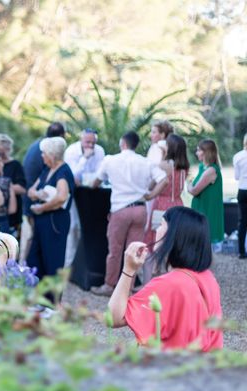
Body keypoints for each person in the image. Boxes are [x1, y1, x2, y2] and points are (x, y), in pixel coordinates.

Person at [107, 207, 223, 351]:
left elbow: (114, 317)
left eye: (161, 225)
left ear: (174, 235)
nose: (156, 231)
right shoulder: (208, 278)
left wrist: (128, 270)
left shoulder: (169, 284)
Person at [91, 131, 167, 296]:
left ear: (122, 143)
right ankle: (128, 286)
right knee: (135, 251)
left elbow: (95, 182)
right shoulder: (145, 162)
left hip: (120, 210)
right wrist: (151, 195)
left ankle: (109, 285)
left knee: (115, 250)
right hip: (140, 209)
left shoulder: (110, 160)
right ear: (136, 145)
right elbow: (164, 179)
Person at [26, 137, 75, 282]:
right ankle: (35, 298)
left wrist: (42, 207)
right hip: (41, 223)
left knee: (52, 262)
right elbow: (31, 191)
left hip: (55, 223)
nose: (42, 156)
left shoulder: (63, 171)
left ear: (52, 155)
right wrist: (37, 194)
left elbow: (61, 197)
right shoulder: (47, 170)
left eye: (44, 153)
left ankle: (51, 301)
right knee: (34, 259)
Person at [63, 128, 106, 267]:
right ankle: (69, 263)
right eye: (88, 142)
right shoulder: (71, 151)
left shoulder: (99, 151)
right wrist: (85, 159)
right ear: (81, 140)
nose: (91, 145)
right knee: (73, 227)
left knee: (90, 226)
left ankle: (86, 262)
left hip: (92, 192)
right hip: (74, 193)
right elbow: (71, 175)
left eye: (93, 142)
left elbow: (100, 172)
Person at [143, 133, 189, 248]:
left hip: (162, 204)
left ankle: (157, 265)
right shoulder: (185, 167)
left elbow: (151, 185)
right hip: (178, 203)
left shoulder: (163, 165)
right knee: (174, 238)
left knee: (158, 238)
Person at [23, 122, 66, 219]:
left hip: (30, 195)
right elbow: (62, 197)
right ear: (61, 136)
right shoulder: (48, 150)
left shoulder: (38, 144)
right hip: (35, 199)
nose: (43, 156)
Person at [0, 133, 26, 236]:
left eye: (4, 151)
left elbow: (22, 188)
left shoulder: (15, 165)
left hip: (11, 215)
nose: (1, 154)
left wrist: (4, 186)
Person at [188, 139, 224, 245]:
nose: (196, 153)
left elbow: (194, 191)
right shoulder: (202, 168)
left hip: (207, 211)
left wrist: (189, 184)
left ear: (206, 152)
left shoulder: (211, 170)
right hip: (199, 208)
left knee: (205, 244)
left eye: (199, 150)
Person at [233, 133, 247, 259]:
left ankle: (241, 251)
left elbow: (236, 177)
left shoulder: (237, 156)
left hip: (242, 190)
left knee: (242, 221)